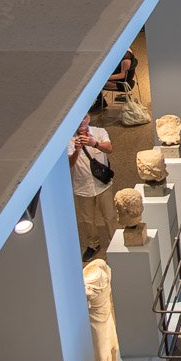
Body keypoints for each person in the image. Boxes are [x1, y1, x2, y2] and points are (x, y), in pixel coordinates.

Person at [67, 113, 115, 263]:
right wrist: (77, 150)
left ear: (88, 118)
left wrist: (94, 143)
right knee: (88, 219)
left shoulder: (100, 132)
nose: (82, 121)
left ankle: (115, 241)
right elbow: (69, 164)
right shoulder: (68, 139)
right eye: (78, 118)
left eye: (84, 117)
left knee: (110, 216)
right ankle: (93, 245)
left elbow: (109, 149)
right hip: (82, 187)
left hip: (102, 184)